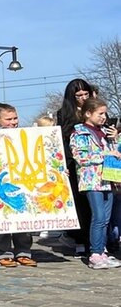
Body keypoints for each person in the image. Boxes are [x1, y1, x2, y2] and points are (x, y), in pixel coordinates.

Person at [70, 97, 121, 269]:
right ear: (88, 113)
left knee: (106, 219)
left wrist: (115, 139)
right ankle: (94, 253)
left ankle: (102, 250)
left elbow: (114, 151)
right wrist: (106, 155)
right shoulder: (80, 133)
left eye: (105, 113)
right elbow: (81, 157)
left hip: (107, 179)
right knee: (98, 217)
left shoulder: (103, 133)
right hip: (92, 180)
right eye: (100, 113)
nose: (103, 117)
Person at [0, 104, 38, 267]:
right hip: (3, 184)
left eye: (15, 118)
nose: (13, 122)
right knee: (3, 217)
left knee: (23, 217)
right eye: (8, 119)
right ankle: (3, 252)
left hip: (22, 182)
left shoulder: (24, 135)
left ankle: (23, 252)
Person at [58, 78, 94, 255]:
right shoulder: (64, 114)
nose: (83, 98)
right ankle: (80, 238)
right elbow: (60, 140)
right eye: (79, 95)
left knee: (93, 203)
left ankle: (95, 240)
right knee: (79, 202)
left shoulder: (95, 111)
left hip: (93, 164)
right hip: (73, 163)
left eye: (86, 94)